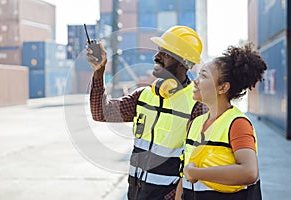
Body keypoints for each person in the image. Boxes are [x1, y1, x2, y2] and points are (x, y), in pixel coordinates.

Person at [86, 25, 208, 199]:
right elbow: (100, 112)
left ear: (184, 63)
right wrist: (99, 71)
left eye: (165, 53)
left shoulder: (197, 106)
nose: (156, 56)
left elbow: (200, 165)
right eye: (159, 50)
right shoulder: (144, 96)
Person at [180, 43, 267, 200]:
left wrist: (196, 173)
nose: (195, 81)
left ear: (222, 88)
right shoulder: (195, 124)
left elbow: (249, 172)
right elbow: (184, 175)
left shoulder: (237, 124)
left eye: (204, 76)